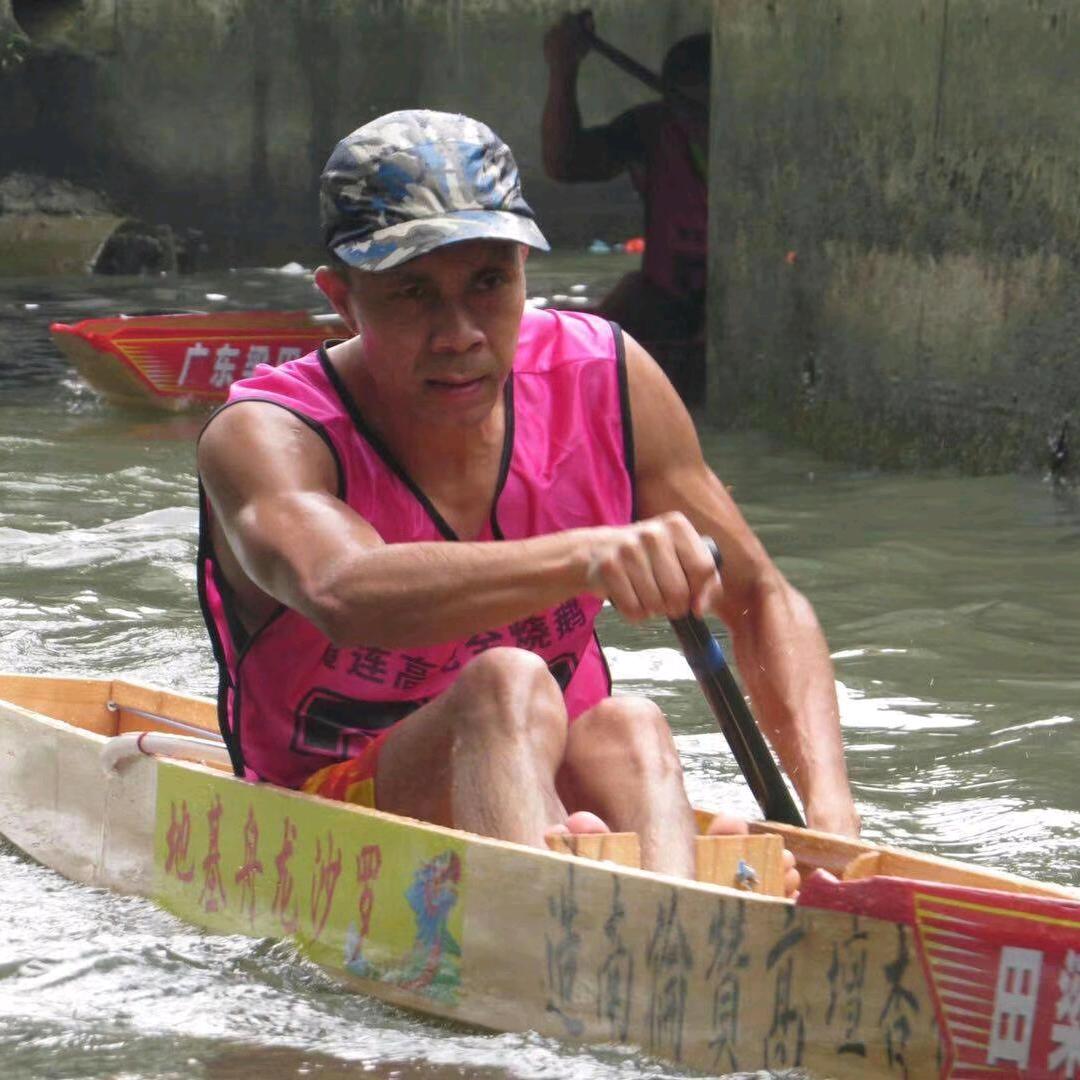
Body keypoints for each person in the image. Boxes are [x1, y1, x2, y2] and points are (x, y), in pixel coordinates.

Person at [196, 110, 857, 895]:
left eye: (489, 282)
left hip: (543, 770)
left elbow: (761, 595)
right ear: (342, 300)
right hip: (325, 808)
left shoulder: (607, 375)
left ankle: (677, 921)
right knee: (503, 684)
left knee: (630, 724)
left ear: (523, 273)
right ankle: (559, 923)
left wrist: (829, 821)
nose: (460, 334)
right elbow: (340, 590)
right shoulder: (266, 433)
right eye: (413, 293)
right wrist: (588, 553)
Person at [542, 15, 710, 397]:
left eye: (705, 110)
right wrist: (563, 69)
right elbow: (566, 164)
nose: (697, 125)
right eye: (688, 111)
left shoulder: (762, 142)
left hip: (733, 303)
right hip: (667, 297)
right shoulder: (653, 129)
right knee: (626, 301)